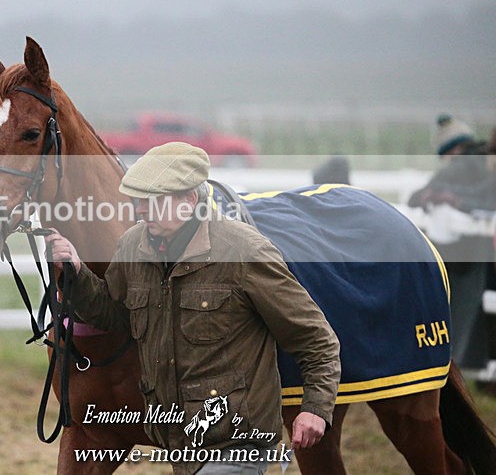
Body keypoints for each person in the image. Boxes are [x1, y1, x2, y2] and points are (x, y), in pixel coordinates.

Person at [46, 142, 340, 475]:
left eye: (151, 202)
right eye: (137, 200)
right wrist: (75, 271)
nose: (140, 210)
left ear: (188, 202)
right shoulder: (134, 245)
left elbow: (316, 339)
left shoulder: (244, 251)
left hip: (236, 442)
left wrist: (316, 407)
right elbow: (114, 314)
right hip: (180, 444)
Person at [408, 115, 496, 373]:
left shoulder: (463, 165)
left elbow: (421, 195)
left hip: (463, 259)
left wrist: (451, 199)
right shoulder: (480, 163)